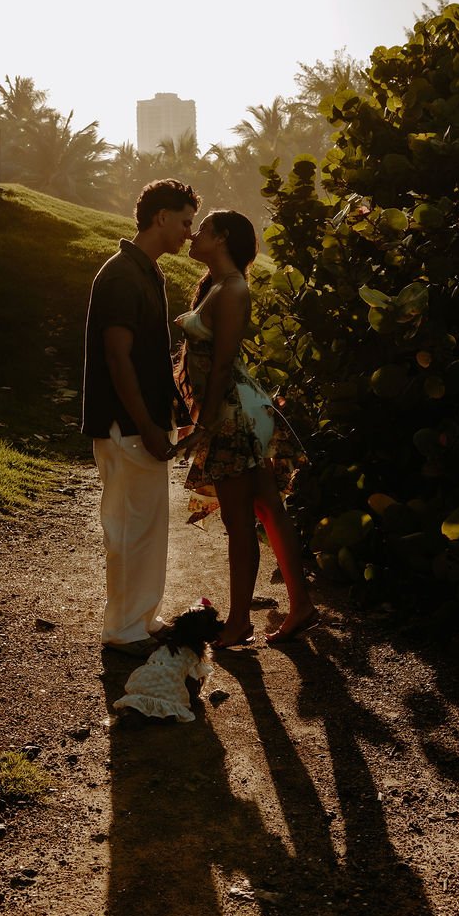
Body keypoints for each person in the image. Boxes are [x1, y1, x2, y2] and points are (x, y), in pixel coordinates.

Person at [175, 209, 318, 647]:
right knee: (266, 510)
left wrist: (203, 422)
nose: (193, 235)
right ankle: (300, 606)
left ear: (221, 238)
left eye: (202, 230)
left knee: (242, 520)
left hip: (233, 411)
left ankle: (240, 622)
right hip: (235, 407)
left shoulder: (233, 289)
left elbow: (222, 363)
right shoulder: (219, 287)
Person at [83, 179, 199, 654]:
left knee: (147, 527)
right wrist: (147, 425)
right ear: (161, 218)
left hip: (143, 422)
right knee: (129, 528)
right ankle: (123, 630)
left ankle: (140, 620)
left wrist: (171, 413)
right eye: (186, 222)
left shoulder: (146, 272)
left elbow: (149, 358)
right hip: (126, 425)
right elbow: (118, 356)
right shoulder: (122, 276)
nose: (189, 234)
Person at [112, 601, 222, 722]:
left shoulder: (166, 646)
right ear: (199, 632)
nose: (219, 624)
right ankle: (162, 710)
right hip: (169, 695)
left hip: (143, 685)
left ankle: (142, 709)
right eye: (212, 623)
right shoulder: (190, 654)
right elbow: (192, 680)